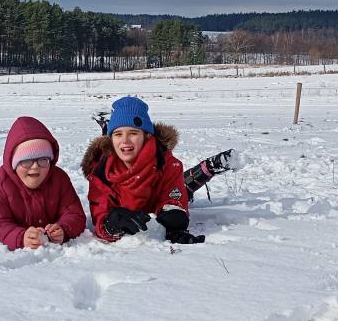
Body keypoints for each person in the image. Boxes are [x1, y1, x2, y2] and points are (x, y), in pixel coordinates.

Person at [82, 96, 240, 245]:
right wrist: (111, 224)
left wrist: (173, 220)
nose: (125, 140)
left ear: (146, 136)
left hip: (163, 198)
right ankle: (108, 125)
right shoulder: (101, 171)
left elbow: (174, 200)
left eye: (133, 133)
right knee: (185, 187)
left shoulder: (167, 163)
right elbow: (100, 215)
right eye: (118, 134)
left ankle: (208, 168)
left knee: (184, 190)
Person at [0, 116, 86, 250]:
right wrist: (20, 237)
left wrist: (64, 229)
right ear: (14, 164)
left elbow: (75, 214)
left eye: (43, 160)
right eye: (26, 161)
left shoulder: (59, 179)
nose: (35, 167)